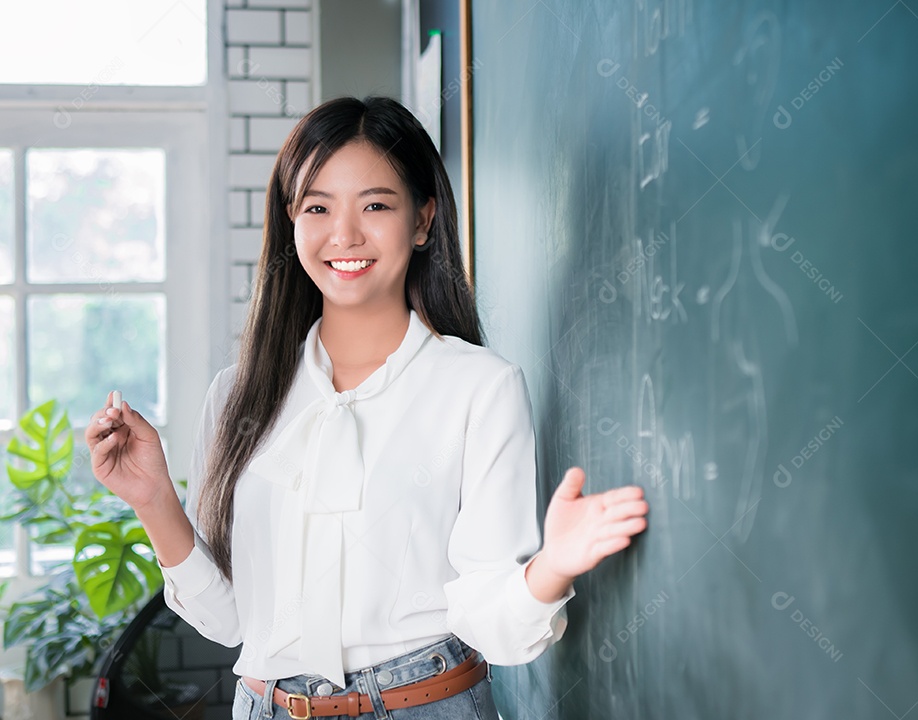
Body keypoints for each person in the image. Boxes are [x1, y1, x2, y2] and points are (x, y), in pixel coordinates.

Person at [85, 95, 649, 720]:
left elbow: (494, 626)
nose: (344, 235)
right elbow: (227, 621)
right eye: (318, 207)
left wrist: (551, 567)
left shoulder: (480, 388)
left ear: (423, 219)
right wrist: (154, 499)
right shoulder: (235, 397)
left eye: (376, 205)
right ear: (291, 220)